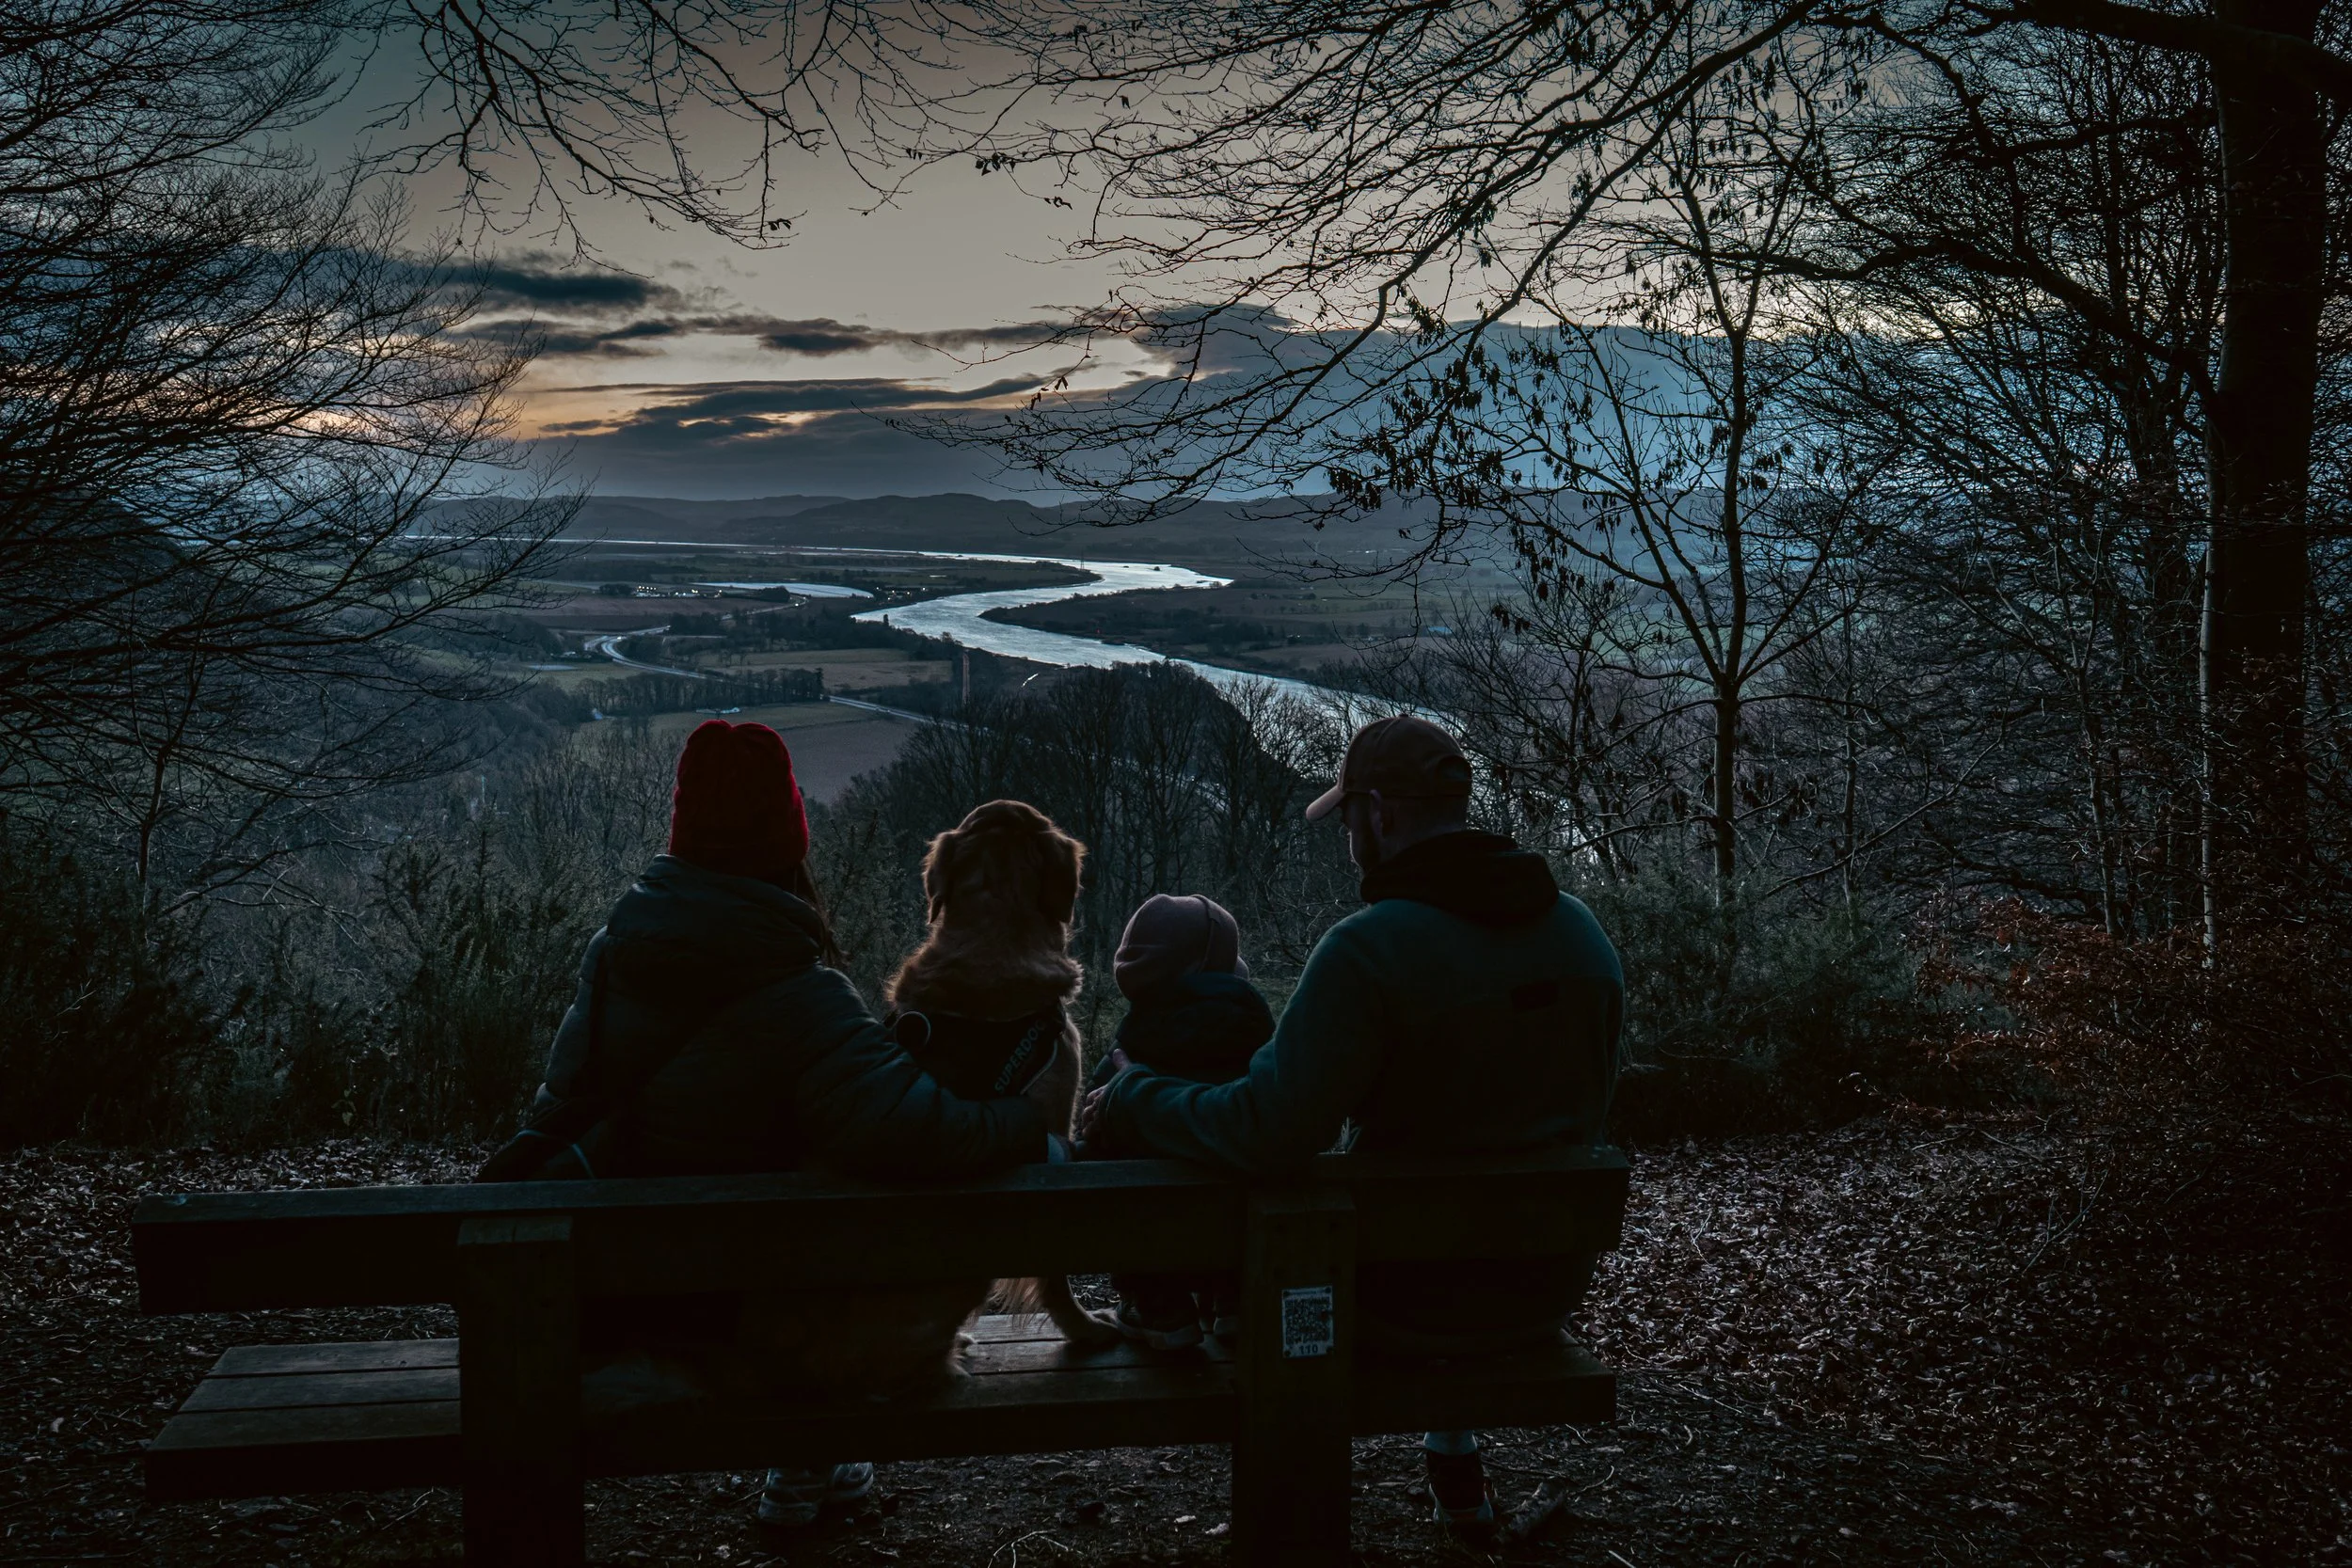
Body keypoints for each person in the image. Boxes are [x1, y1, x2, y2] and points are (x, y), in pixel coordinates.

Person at [481, 720, 1057, 1529]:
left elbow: (560, 1108)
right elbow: (919, 1130)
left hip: (611, 1304)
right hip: (738, 1330)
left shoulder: (613, 952)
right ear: (787, 845)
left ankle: (810, 1466)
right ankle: (815, 1452)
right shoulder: (804, 998)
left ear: (681, 837)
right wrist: (1026, 1122)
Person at [1080, 715, 1623, 1538]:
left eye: (1347, 819)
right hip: (1543, 1286)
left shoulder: (1368, 951)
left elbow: (1264, 1129)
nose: (1346, 837)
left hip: (1396, 1300)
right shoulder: (1583, 934)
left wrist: (1134, 1096)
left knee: (1288, 1230)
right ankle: (1457, 1474)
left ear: (1380, 815)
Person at [1082, 893, 1273, 1348]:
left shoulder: (1127, 1055)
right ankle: (1230, 1298)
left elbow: (1085, 1145)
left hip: (1160, 1247)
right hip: (1238, 1236)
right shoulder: (1256, 1036)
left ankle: (1159, 1308)